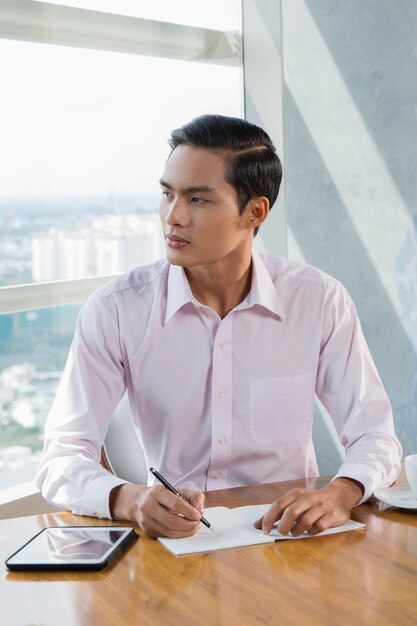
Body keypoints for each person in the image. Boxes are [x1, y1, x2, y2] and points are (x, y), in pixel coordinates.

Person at [36, 114, 402, 539]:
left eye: (198, 200)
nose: (173, 217)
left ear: (254, 212)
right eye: (167, 194)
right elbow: (61, 457)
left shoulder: (319, 300)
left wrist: (342, 492)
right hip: (175, 547)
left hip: (287, 542)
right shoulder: (116, 310)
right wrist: (128, 499)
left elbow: (375, 435)